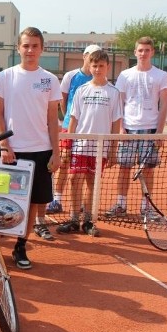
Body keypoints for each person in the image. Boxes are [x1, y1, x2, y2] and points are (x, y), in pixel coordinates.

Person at [0, 27, 61, 269]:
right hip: (11, 151)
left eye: (34, 46)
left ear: (42, 49)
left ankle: (21, 245)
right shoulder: (6, 76)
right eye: (26, 45)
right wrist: (4, 144)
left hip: (40, 151)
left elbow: (53, 120)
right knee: (2, 201)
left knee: (32, 203)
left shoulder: (50, 80)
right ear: (18, 48)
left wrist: (56, 151)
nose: (30, 50)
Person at [56, 50, 122, 237]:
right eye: (94, 65)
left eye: (101, 66)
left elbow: (115, 123)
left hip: (100, 147)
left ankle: (88, 220)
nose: (97, 69)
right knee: (74, 180)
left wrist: (113, 150)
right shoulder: (81, 90)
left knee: (92, 182)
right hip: (80, 145)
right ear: (89, 66)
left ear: (107, 67)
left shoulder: (113, 92)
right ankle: (74, 219)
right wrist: (69, 144)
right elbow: (73, 120)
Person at [105, 37, 167, 219]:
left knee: (148, 169)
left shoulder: (161, 76)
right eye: (140, 50)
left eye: (147, 50)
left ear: (152, 52)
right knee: (124, 168)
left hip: (150, 131)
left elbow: (164, 104)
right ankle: (121, 204)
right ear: (135, 52)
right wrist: (121, 128)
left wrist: (159, 132)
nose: (143, 53)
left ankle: (146, 207)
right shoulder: (125, 75)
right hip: (128, 129)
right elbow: (120, 102)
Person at [47, 44, 101, 215]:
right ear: (84, 56)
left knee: (87, 171)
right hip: (69, 128)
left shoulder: (99, 77)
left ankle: (85, 205)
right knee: (63, 164)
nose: (94, 59)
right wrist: (67, 119)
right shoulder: (71, 76)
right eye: (91, 56)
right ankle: (57, 199)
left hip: (89, 132)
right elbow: (62, 100)